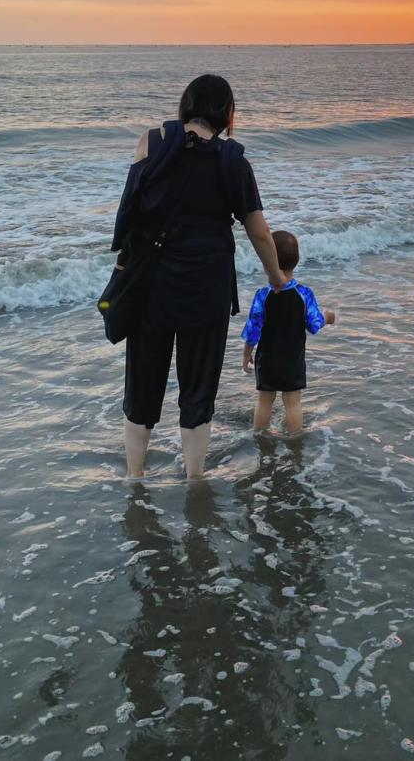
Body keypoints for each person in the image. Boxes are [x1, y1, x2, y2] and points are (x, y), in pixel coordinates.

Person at [111, 74, 285, 480]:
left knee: (142, 386)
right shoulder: (233, 161)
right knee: (198, 389)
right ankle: (194, 481)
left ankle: (135, 478)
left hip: (151, 284)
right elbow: (258, 231)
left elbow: (129, 213)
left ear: (186, 105)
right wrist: (276, 277)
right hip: (206, 289)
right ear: (226, 113)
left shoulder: (150, 142)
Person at [241, 230, 335, 434]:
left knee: (264, 401)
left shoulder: (262, 295)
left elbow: (252, 330)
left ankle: (258, 435)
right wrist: (327, 317)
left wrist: (246, 354)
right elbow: (314, 324)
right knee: (292, 402)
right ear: (297, 260)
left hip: (267, 361)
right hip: (293, 359)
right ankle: (294, 439)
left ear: (268, 262)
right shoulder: (304, 294)